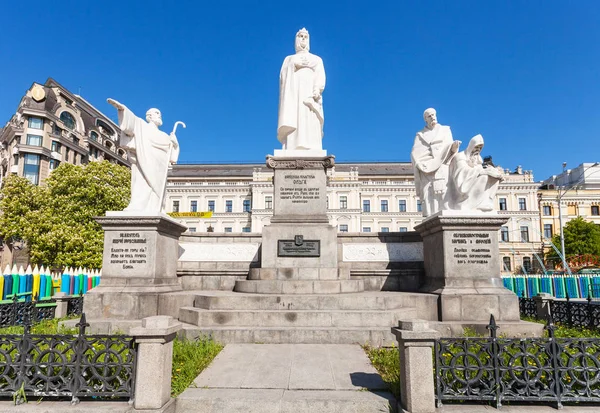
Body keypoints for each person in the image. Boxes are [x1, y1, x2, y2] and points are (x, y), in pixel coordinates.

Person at [107, 98, 179, 214]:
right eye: (156, 113)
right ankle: (138, 207)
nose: (159, 115)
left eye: (159, 114)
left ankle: (157, 208)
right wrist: (122, 109)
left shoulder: (165, 136)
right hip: (144, 161)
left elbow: (172, 157)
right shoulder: (142, 126)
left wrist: (174, 144)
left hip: (160, 168)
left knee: (157, 192)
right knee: (142, 185)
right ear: (149, 117)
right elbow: (131, 123)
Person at [277, 28, 326, 151]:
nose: (303, 39)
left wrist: (317, 89)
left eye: (305, 37)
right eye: (301, 36)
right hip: (294, 93)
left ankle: (311, 145)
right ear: (296, 40)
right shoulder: (289, 59)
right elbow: (282, 77)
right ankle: (291, 144)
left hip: (309, 93)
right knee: (295, 115)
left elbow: (320, 75)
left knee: (309, 115)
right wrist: (294, 65)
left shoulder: (316, 59)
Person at [411, 108, 461, 217]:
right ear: (425, 119)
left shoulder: (445, 130)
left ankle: (446, 210)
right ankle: (430, 214)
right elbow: (415, 152)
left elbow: (450, 148)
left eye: (434, 115)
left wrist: (454, 147)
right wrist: (420, 164)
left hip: (443, 164)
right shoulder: (420, 135)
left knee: (444, 188)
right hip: (427, 168)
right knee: (429, 192)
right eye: (429, 116)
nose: (433, 117)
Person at [448, 134, 504, 212]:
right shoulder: (460, 156)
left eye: (480, 148)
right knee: (484, 177)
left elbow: (480, 169)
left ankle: (486, 202)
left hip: (474, 179)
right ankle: (472, 203)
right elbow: (461, 172)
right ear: (471, 146)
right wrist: (480, 171)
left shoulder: (478, 159)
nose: (478, 149)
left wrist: (492, 171)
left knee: (493, 177)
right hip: (463, 185)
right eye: (476, 147)